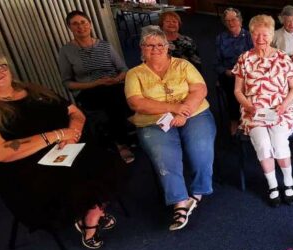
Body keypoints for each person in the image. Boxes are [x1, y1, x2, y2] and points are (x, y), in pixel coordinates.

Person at [0, 51, 125, 249]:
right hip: (25, 170)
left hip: (67, 150)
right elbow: (1, 152)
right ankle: (89, 215)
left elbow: (74, 112)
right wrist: (58, 135)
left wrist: (73, 132)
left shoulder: (33, 90)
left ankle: (91, 209)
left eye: (0, 66)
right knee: (76, 182)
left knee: (110, 162)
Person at [125, 26, 216, 231]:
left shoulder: (183, 65)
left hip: (194, 112)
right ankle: (180, 202)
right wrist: (173, 108)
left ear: (167, 47)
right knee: (164, 156)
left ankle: (199, 190)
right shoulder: (134, 74)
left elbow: (199, 89)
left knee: (201, 147)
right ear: (142, 48)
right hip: (152, 120)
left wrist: (183, 112)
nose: (155, 49)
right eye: (150, 45)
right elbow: (136, 103)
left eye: (160, 45)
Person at [233, 15, 293, 207]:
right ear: (251, 35)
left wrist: (283, 106)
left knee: (279, 142)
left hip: (281, 110)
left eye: (265, 34)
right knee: (263, 144)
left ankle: (288, 182)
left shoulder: (283, 58)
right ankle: (272, 185)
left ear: (271, 35)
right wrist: (248, 106)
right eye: (256, 34)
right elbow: (237, 90)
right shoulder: (244, 59)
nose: (260, 38)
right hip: (253, 112)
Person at [58, 10, 135, 163]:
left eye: (83, 22)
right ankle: (122, 142)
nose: (81, 27)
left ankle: (123, 136)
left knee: (119, 95)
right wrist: (95, 83)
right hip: (89, 90)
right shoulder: (66, 51)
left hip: (114, 85)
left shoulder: (105, 46)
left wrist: (117, 78)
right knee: (114, 100)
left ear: (90, 24)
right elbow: (67, 82)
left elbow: (124, 69)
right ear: (69, 28)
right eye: (75, 24)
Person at [214, 8, 253, 133]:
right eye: (227, 21)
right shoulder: (221, 38)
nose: (231, 23)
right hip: (229, 74)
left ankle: (250, 116)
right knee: (233, 88)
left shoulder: (249, 36)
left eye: (234, 19)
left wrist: (245, 71)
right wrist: (226, 71)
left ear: (240, 20)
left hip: (248, 72)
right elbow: (216, 62)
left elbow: (255, 58)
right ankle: (235, 120)